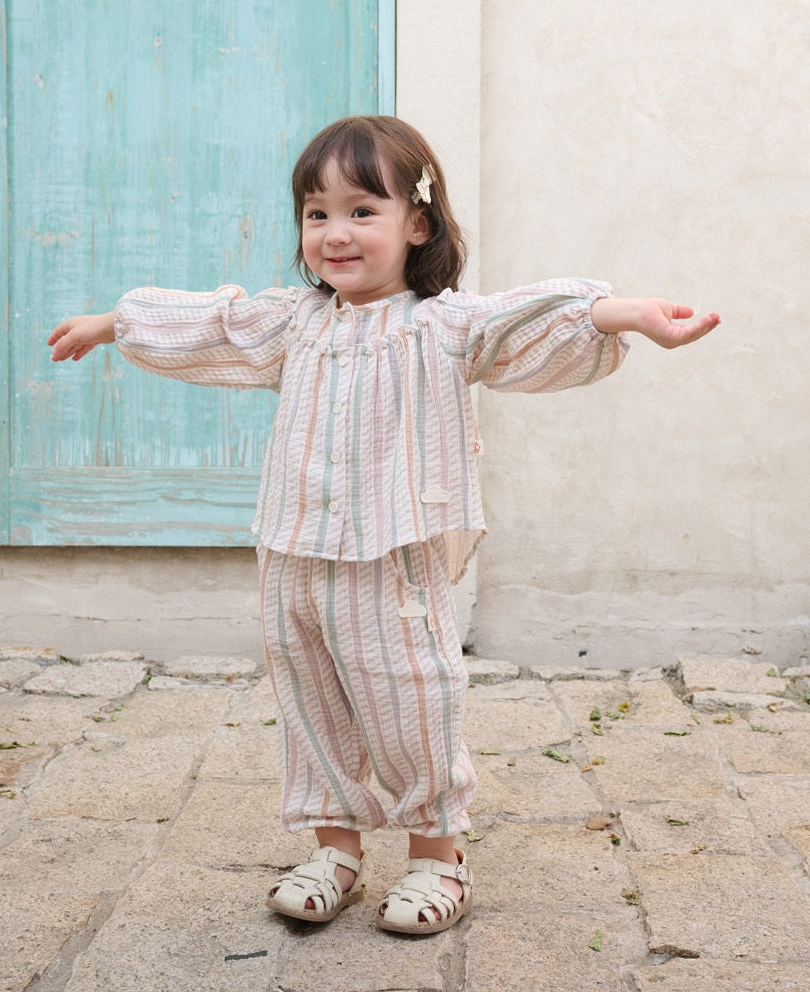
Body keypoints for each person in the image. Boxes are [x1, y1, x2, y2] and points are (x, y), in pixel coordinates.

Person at [48, 115, 719, 935]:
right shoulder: (295, 323)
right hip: (294, 553)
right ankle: (335, 849)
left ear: (418, 224)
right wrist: (112, 324)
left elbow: (522, 320)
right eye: (317, 213)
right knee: (312, 701)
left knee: (413, 701)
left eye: (362, 210)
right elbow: (217, 324)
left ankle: (439, 858)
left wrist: (627, 313)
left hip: (391, 557)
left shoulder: (440, 327)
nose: (335, 233)